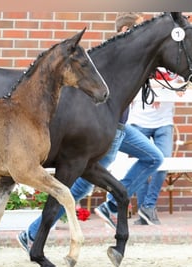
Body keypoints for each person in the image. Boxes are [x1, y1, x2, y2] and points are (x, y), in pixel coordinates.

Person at [17, 12, 163, 251]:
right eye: (137, 29)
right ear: (126, 31)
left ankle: (110, 205)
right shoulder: (111, 58)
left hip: (122, 128)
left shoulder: (132, 60)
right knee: (82, 183)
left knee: (153, 157)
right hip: (106, 131)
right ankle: (33, 234)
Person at [127, 68, 184, 225]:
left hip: (164, 123)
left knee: (164, 163)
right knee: (141, 165)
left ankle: (148, 206)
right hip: (139, 122)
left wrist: (180, 85)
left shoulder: (177, 66)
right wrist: (162, 88)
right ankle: (144, 211)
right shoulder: (149, 61)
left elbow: (183, 83)